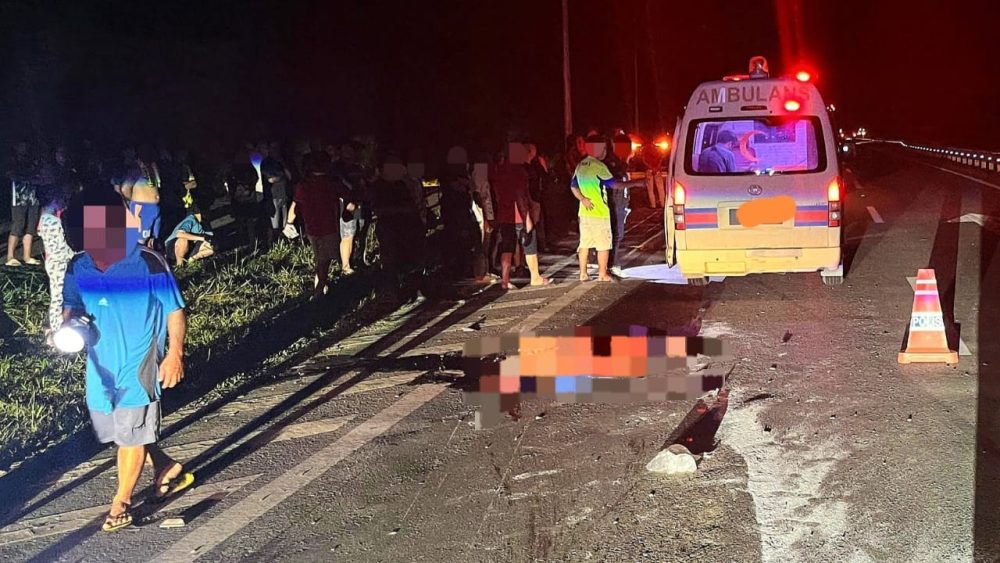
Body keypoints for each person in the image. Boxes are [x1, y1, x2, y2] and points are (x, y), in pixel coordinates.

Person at [61, 195, 193, 533]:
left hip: (139, 364)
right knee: (117, 431)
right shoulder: (78, 267)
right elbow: (72, 306)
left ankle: (121, 503)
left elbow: (175, 310)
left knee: (130, 435)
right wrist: (68, 326)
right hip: (100, 367)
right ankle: (166, 467)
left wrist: (175, 354)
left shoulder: (147, 261)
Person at [571, 134, 643, 282]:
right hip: (599, 212)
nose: (605, 151)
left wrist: (582, 199)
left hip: (584, 212)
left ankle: (583, 274)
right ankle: (602, 274)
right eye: (603, 148)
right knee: (603, 244)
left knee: (584, 244)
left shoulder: (581, 165)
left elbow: (573, 186)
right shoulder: (599, 166)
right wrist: (637, 183)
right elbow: (615, 185)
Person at [488, 142, 550, 290]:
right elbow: (520, 196)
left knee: (507, 247)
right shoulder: (519, 172)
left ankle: (505, 280)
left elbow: (496, 193)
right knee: (529, 244)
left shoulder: (500, 170)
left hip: (504, 214)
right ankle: (535, 277)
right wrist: (527, 218)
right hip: (518, 216)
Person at [287, 152, 346, 298]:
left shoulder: (303, 185)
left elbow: (295, 205)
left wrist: (289, 223)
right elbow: (346, 195)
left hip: (311, 227)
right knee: (326, 259)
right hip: (329, 227)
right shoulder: (331, 183)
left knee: (321, 257)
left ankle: (320, 286)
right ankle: (320, 288)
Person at [37, 186, 75, 341]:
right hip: (59, 262)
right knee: (58, 296)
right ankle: (56, 330)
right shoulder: (51, 221)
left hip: (56, 261)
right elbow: (60, 246)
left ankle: (57, 328)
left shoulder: (47, 217)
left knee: (59, 295)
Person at [6, 141, 42, 266]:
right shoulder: (12, 161)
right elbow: (11, 175)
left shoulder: (32, 160)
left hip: (33, 197)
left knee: (31, 225)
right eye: (21, 145)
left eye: (25, 145)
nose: (24, 148)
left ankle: (27, 256)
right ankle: (10, 256)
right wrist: (28, 176)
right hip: (19, 197)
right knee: (18, 224)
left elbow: (39, 174)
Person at [606, 134, 633, 277]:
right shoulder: (613, 162)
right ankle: (612, 264)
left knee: (618, 234)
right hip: (615, 202)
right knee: (616, 234)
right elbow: (617, 181)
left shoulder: (620, 162)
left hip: (621, 202)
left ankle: (611, 263)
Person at [262, 141, 292, 244]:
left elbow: (290, 176)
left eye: (277, 148)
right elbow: (270, 179)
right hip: (273, 196)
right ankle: (273, 243)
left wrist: (283, 165)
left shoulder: (282, 161)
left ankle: (284, 242)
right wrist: (282, 175)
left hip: (284, 195)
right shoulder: (266, 162)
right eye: (273, 148)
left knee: (285, 222)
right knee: (274, 223)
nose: (275, 150)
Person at [524, 143, 549, 253]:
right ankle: (531, 248)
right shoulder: (525, 167)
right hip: (530, 198)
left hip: (536, 197)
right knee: (532, 223)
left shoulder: (534, 165)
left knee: (538, 222)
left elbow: (545, 177)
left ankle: (539, 246)